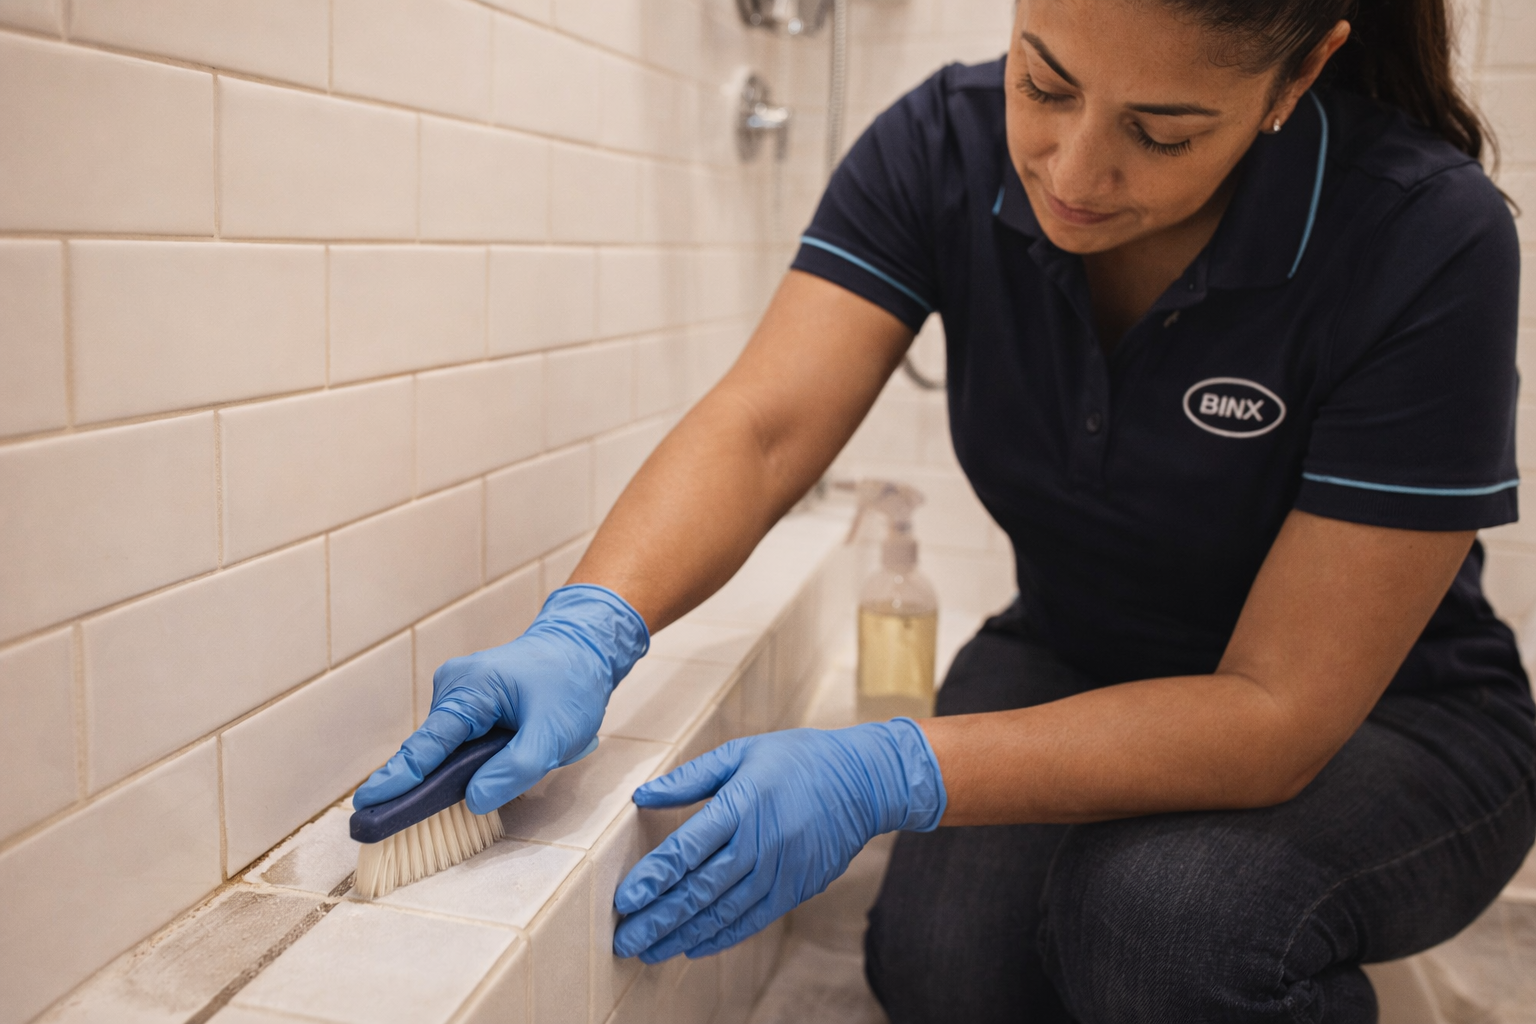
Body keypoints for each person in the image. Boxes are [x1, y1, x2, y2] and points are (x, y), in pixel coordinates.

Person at [355, 0, 1536, 1018]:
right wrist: (589, 625)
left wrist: (890, 768)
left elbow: (1277, 711)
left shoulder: (1425, 235)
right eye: (1044, 81)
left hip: (1392, 720)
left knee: (1162, 923)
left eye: (1161, 132)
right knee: (943, 971)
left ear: (1300, 74)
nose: (1072, 173)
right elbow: (766, 428)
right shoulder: (940, 143)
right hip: (1079, 652)